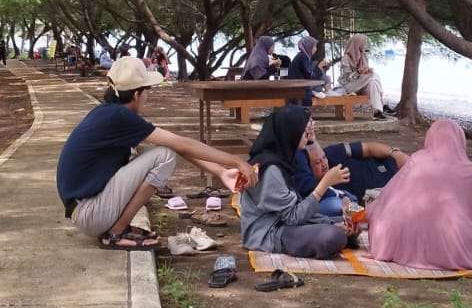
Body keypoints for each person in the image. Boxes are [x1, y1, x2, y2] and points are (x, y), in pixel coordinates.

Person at [56, 57, 257, 250]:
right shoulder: (119, 117)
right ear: (136, 94)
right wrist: (238, 163)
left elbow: (178, 145)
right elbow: (180, 144)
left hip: (86, 209)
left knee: (162, 151)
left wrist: (221, 172)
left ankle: (118, 227)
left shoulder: (110, 113)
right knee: (163, 155)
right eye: (147, 91)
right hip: (90, 213)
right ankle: (116, 232)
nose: (147, 96)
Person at [368, 121, 472, 271]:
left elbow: (391, 196)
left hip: (408, 242)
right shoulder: (467, 170)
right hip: (455, 250)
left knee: (384, 212)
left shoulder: (417, 161)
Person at [238, 106, 354, 258]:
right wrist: (325, 183)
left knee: (346, 224)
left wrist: (334, 222)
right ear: (290, 133)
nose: (307, 135)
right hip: (268, 233)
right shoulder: (270, 169)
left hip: (285, 224)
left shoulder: (285, 157)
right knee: (333, 236)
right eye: (303, 131)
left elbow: (295, 209)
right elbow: (293, 217)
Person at [289, 118, 409, 216]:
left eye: (323, 158)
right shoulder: (318, 188)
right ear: (307, 166)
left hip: (393, 165)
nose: (324, 163)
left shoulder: (332, 153)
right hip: (390, 193)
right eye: (317, 163)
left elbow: (367, 148)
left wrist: (394, 153)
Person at [335, 34, 393, 116]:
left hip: (361, 84)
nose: (365, 45)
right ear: (357, 44)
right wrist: (358, 72)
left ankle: (377, 111)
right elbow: (346, 78)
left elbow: (365, 74)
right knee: (373, 76)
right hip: (349, 86)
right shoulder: (346, 58)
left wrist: (367, 71)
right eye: (364, 43)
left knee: (373, 83)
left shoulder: (364, 56)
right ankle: (383, 104)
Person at [285, 36, 331, 104]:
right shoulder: (303, 57)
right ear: (309, 47)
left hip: (298, 89)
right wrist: (319, 67)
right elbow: (310, 77)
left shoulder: (303, 56)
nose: (315, 49)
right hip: (298, 91)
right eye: (314, 46)